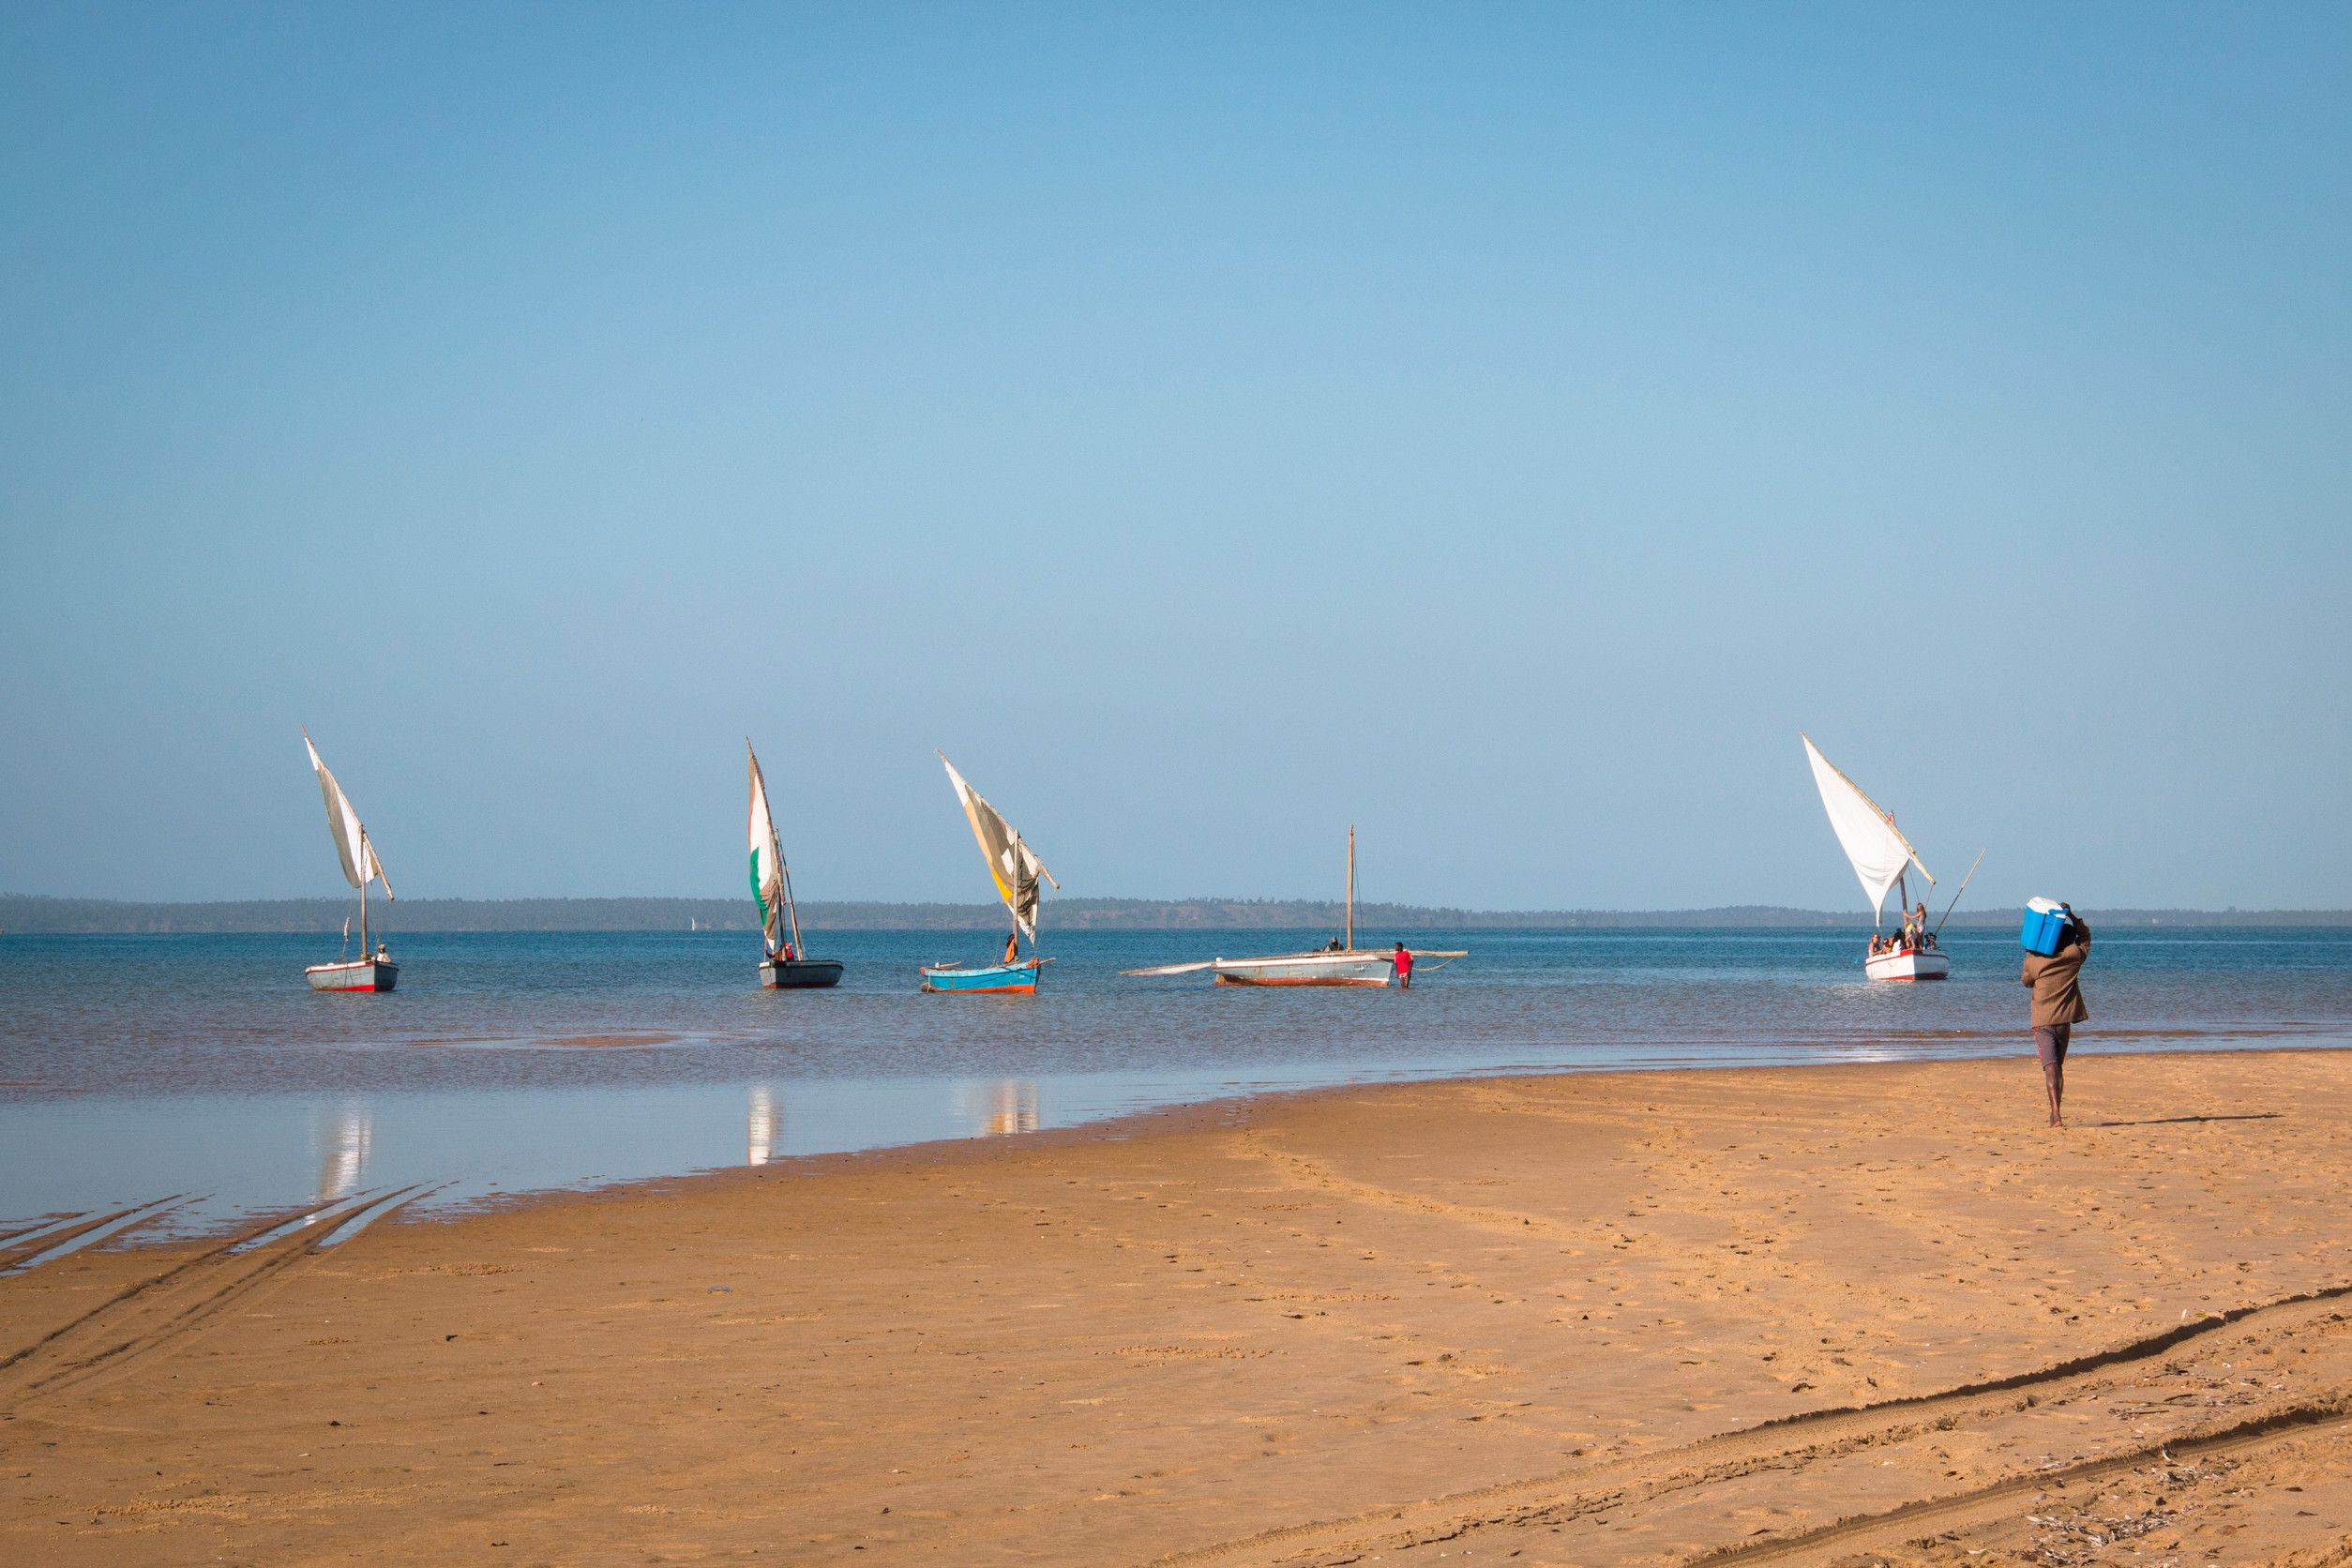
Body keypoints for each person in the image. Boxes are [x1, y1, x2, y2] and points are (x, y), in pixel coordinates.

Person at [2021, 905, 2092, 1129]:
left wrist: (2030, 956)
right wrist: (2070, 915)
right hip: (2063, 1021)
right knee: (2057, 1066)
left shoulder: (2035, 962)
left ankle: (2055, 1113)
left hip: (2042, 1021)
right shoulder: (2073, 957)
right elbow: (2086, 936)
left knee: (2050, 1067)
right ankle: (2056, 1113)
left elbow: (2025, 982)